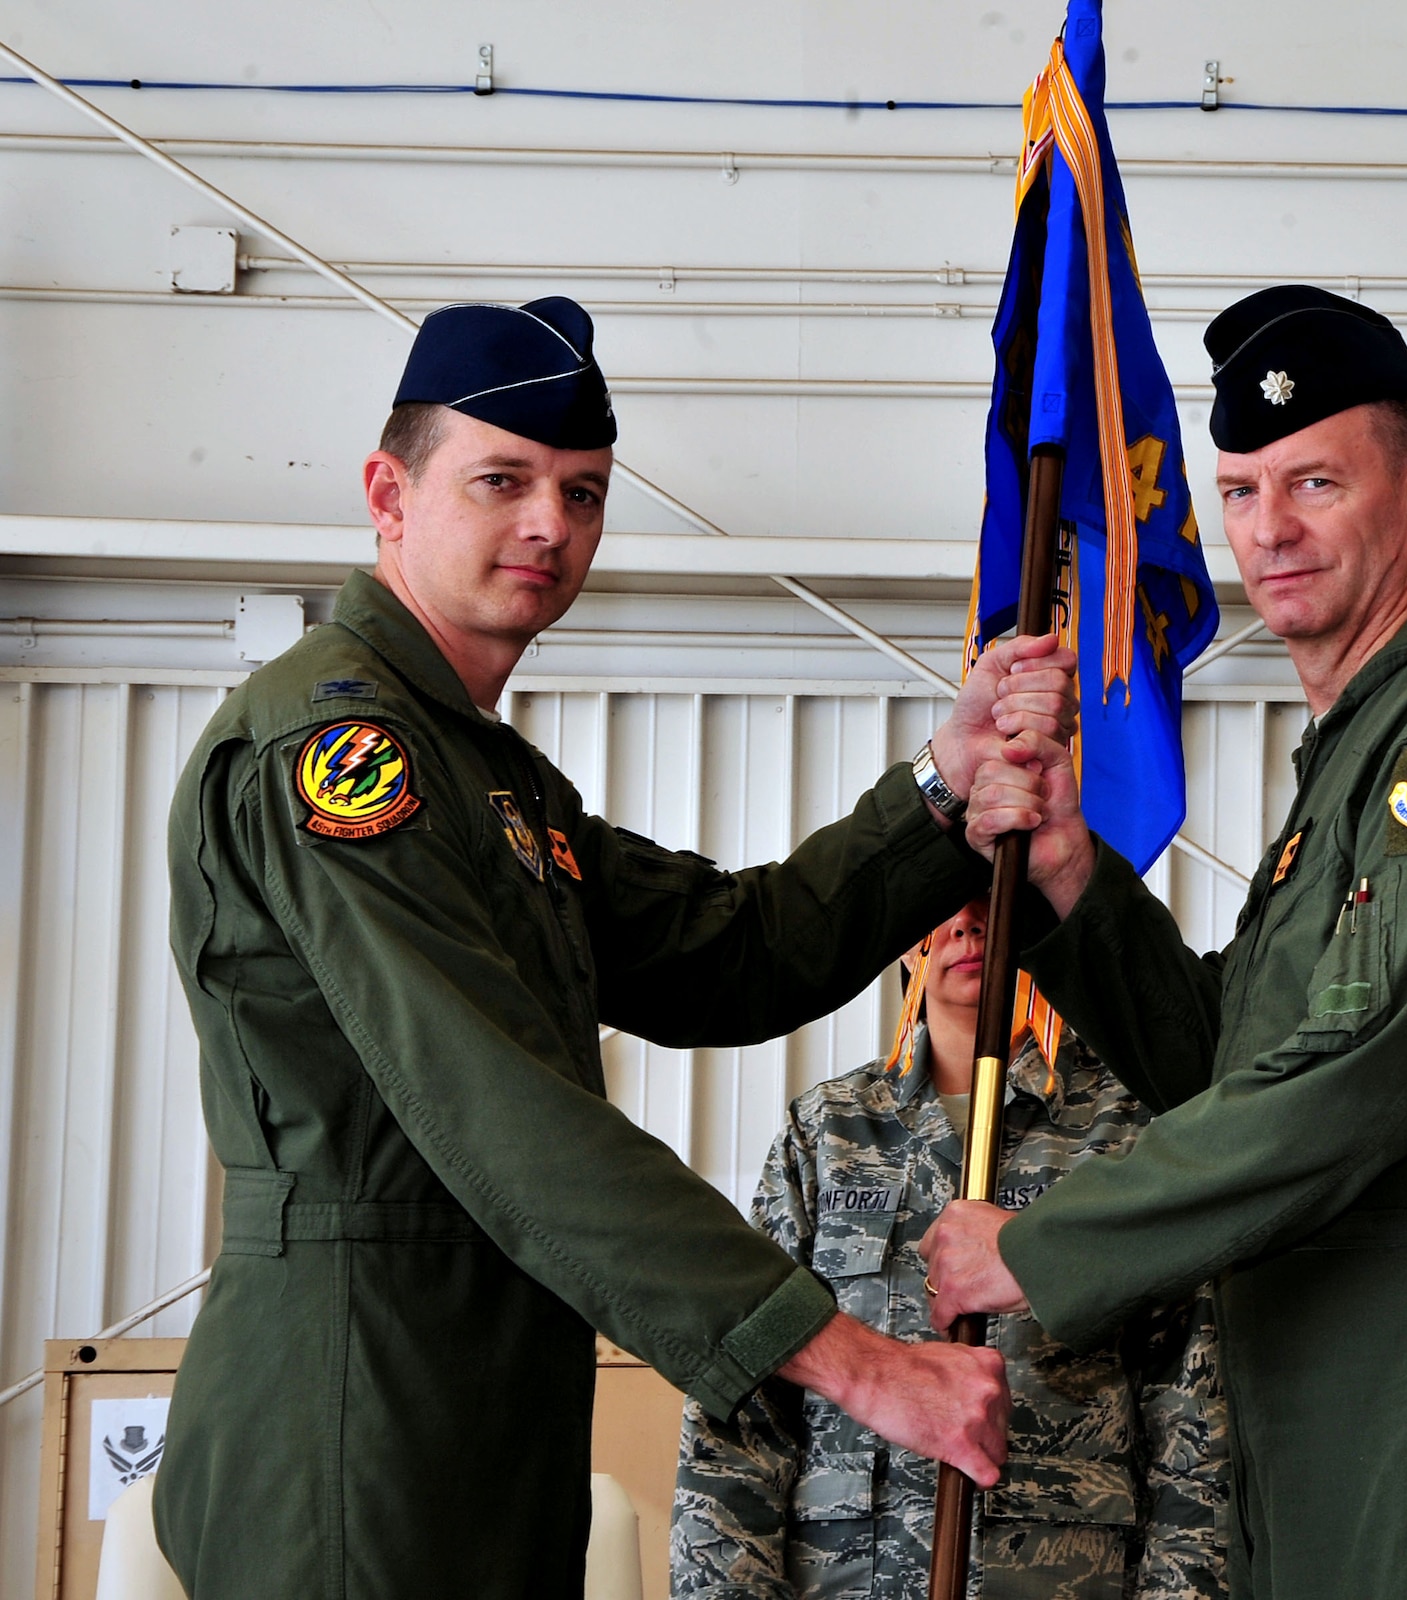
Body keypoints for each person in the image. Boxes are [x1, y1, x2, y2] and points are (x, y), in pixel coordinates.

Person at [156, 298, 1074, 1599]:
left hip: (480, 1404)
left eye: (582, 492)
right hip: (352, 1411)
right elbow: (502, 1114)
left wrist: (943, 784)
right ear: (388, 492)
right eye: (503, 481)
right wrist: (858, 1362)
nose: (550, 524)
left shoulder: (494, 780)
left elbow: (735, 951)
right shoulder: (344, 754)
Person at [923, 285, 1407, 1599]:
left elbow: (1348, 1080)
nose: (1271, 530)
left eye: (1316, 482)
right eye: (1244, 490)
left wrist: (1041, 1246)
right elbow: (1237, 1059)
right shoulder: (1355, 757)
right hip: (1333, 1386)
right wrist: (1075, 882)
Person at [670, 898, 1228, 1600]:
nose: (966, 921)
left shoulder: (1123, 1132)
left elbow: (1193, 1421)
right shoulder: (827, 1135)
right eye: (939, 903)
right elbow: (745, 1398)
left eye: (993, 894)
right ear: (906, 943)